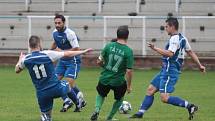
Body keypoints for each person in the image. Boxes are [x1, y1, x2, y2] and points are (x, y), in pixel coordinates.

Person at [130, 17, 206, 120]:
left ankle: (190, 106)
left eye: (166, 26)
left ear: (172, 27)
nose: (165, 28)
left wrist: (155, 48)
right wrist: (200, 65)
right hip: (166, 70)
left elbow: (170, 54)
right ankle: (140, 113)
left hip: (170, 71)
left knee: (164, 98)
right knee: (150, 89)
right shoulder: (182, 38)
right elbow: (190, 52)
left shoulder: (175, 39)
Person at [15, 35, 92, 121]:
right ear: (39, 44)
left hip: (42, 93)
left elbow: (17, 70)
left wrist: (20, 59)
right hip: (56, 88)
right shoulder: (47, 54)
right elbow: (67, 53)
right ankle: (77, 103)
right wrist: (83, 51)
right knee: (67, 84)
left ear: (29, 46)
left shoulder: (25, 59)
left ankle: (45, 117)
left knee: (47, 116)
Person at [90, 25, 134, 121]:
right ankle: (109, 118)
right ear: (127, 36)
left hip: (104, 77)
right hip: (118, 81)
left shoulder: (108, 46)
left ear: (117, 35)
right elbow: (129, 71)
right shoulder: (128, 51)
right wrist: (129, 86)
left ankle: (97, 110)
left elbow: (99, 61)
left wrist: (105, 67)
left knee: (101, 94)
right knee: (119, 99)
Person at [50, 14, 86, 112]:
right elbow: (54, 43)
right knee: (54, 82)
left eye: (59, 23)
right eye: (55, 23)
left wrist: (64, 52)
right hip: (62, 61)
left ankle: (77, 102)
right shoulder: (54, 33)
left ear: (64, 23)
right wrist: (50, 51)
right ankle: (69, 100)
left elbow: (77, 48)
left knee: (68, 84)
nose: (57, 25)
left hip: (73, 61)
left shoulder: (70, 33)